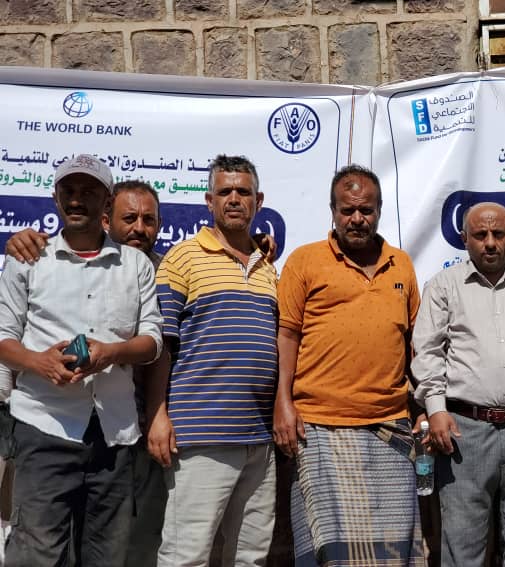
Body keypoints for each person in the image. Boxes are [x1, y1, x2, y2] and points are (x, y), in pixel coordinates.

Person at [0, 154, 163, 566]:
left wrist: (111, 353)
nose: (77, 200)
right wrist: (39, 362)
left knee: (107, 556)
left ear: (106, 203)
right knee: (36, 556)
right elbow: (3, 337)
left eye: (88, 191)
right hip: (43, 428)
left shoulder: (136, 265)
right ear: (55, 198)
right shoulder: (27, 259)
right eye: (69, 191)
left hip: (115, 436)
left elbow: (152, 341)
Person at [272, 164, 424, 566]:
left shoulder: (401, 264)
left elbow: (413, 345)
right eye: (348, 210)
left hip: (390, 429)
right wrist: (282, 403)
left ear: (379, 211)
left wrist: (423, 409)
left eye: (366, 210)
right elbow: (287, 336)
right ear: (333, 212)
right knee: (329, 549)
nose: (357, 219)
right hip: (320, 427)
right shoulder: (304, 261)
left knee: (393, 548)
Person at [412, 202, 505, 566]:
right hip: (464, 431)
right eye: (480, 235)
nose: (490, 242)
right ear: (465, 239)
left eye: (498, 234)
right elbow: (428, 353)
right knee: (463, 547)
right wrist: (436, 409)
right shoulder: (444, 286)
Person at [153, 154, 278, 566]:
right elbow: (160, 346)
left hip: (259, 440)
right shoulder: (183, 258)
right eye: (225, 192)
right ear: (209, 201)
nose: (234, 199)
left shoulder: (269, 268)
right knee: (186, 556)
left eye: (243, 191)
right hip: (200, 437)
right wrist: (158, 416)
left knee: (250, 558)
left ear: (258, 201)